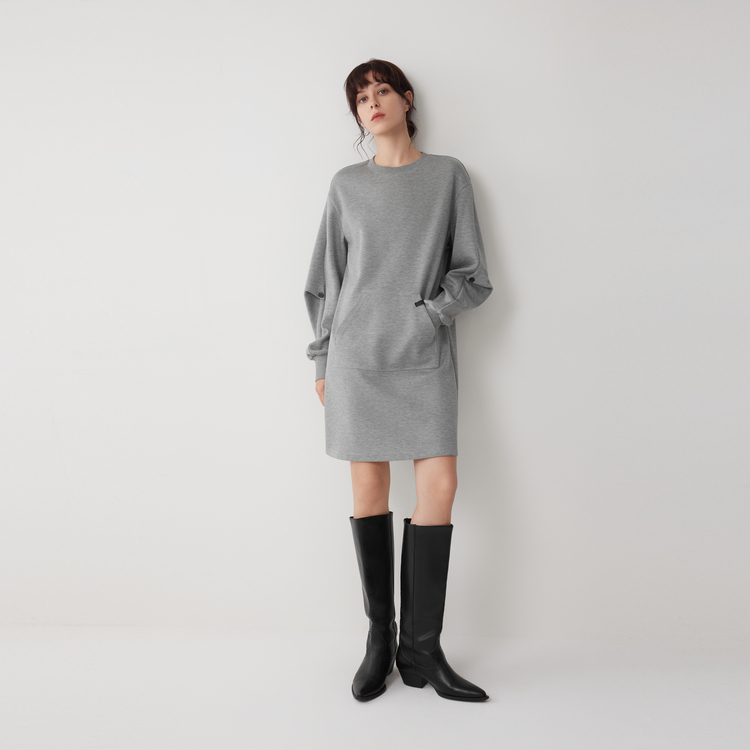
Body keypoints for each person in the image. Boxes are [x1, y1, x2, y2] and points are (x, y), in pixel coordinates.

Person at [304, 59, 493, 702]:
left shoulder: (447, 176)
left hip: (423, 356)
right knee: (369, 487)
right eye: (361, 98)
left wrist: (430, 316)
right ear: (357, 116)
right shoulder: (345, 186)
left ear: (407, 99)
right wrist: (322, 358)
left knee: (441, 485)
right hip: (356, 357)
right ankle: (380, 642)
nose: (373, 102)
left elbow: (471, 273)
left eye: (382, 90)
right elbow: (325, 281)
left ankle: (422, 649)